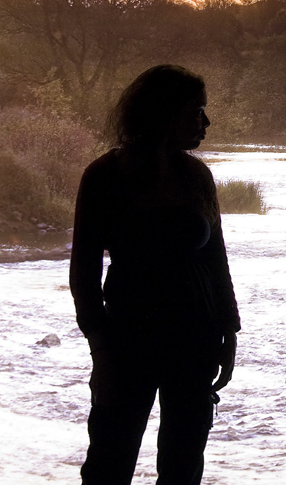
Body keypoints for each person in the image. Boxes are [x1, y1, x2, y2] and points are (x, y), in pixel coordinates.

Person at [69, 65, 241, 485]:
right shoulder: (105, 177)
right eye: (195, 111)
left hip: (195, 340)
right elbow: (84, 275)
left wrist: (230, 334)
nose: (205, 122)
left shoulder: (197, 176)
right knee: (109, 464)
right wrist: (101, 350)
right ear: (163, 114)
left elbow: (216, 260)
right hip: (128, 341)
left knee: (183, 468)